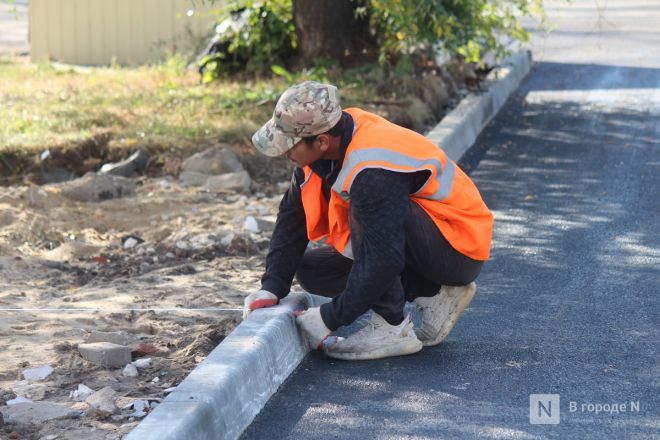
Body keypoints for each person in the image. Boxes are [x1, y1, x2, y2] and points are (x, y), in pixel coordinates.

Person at [243, 81, 493, 361]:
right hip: (423, 241)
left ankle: (391, 329)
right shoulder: (321, 150)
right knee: (313, 270)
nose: (283, 152)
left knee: (365, 214)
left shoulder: (371, 167)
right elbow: (291, 219)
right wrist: (272, 286)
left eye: (289, 145)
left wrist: (330, 317)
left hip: (458, 247)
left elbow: (384, 257)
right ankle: (434, 295)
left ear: (322, 142)